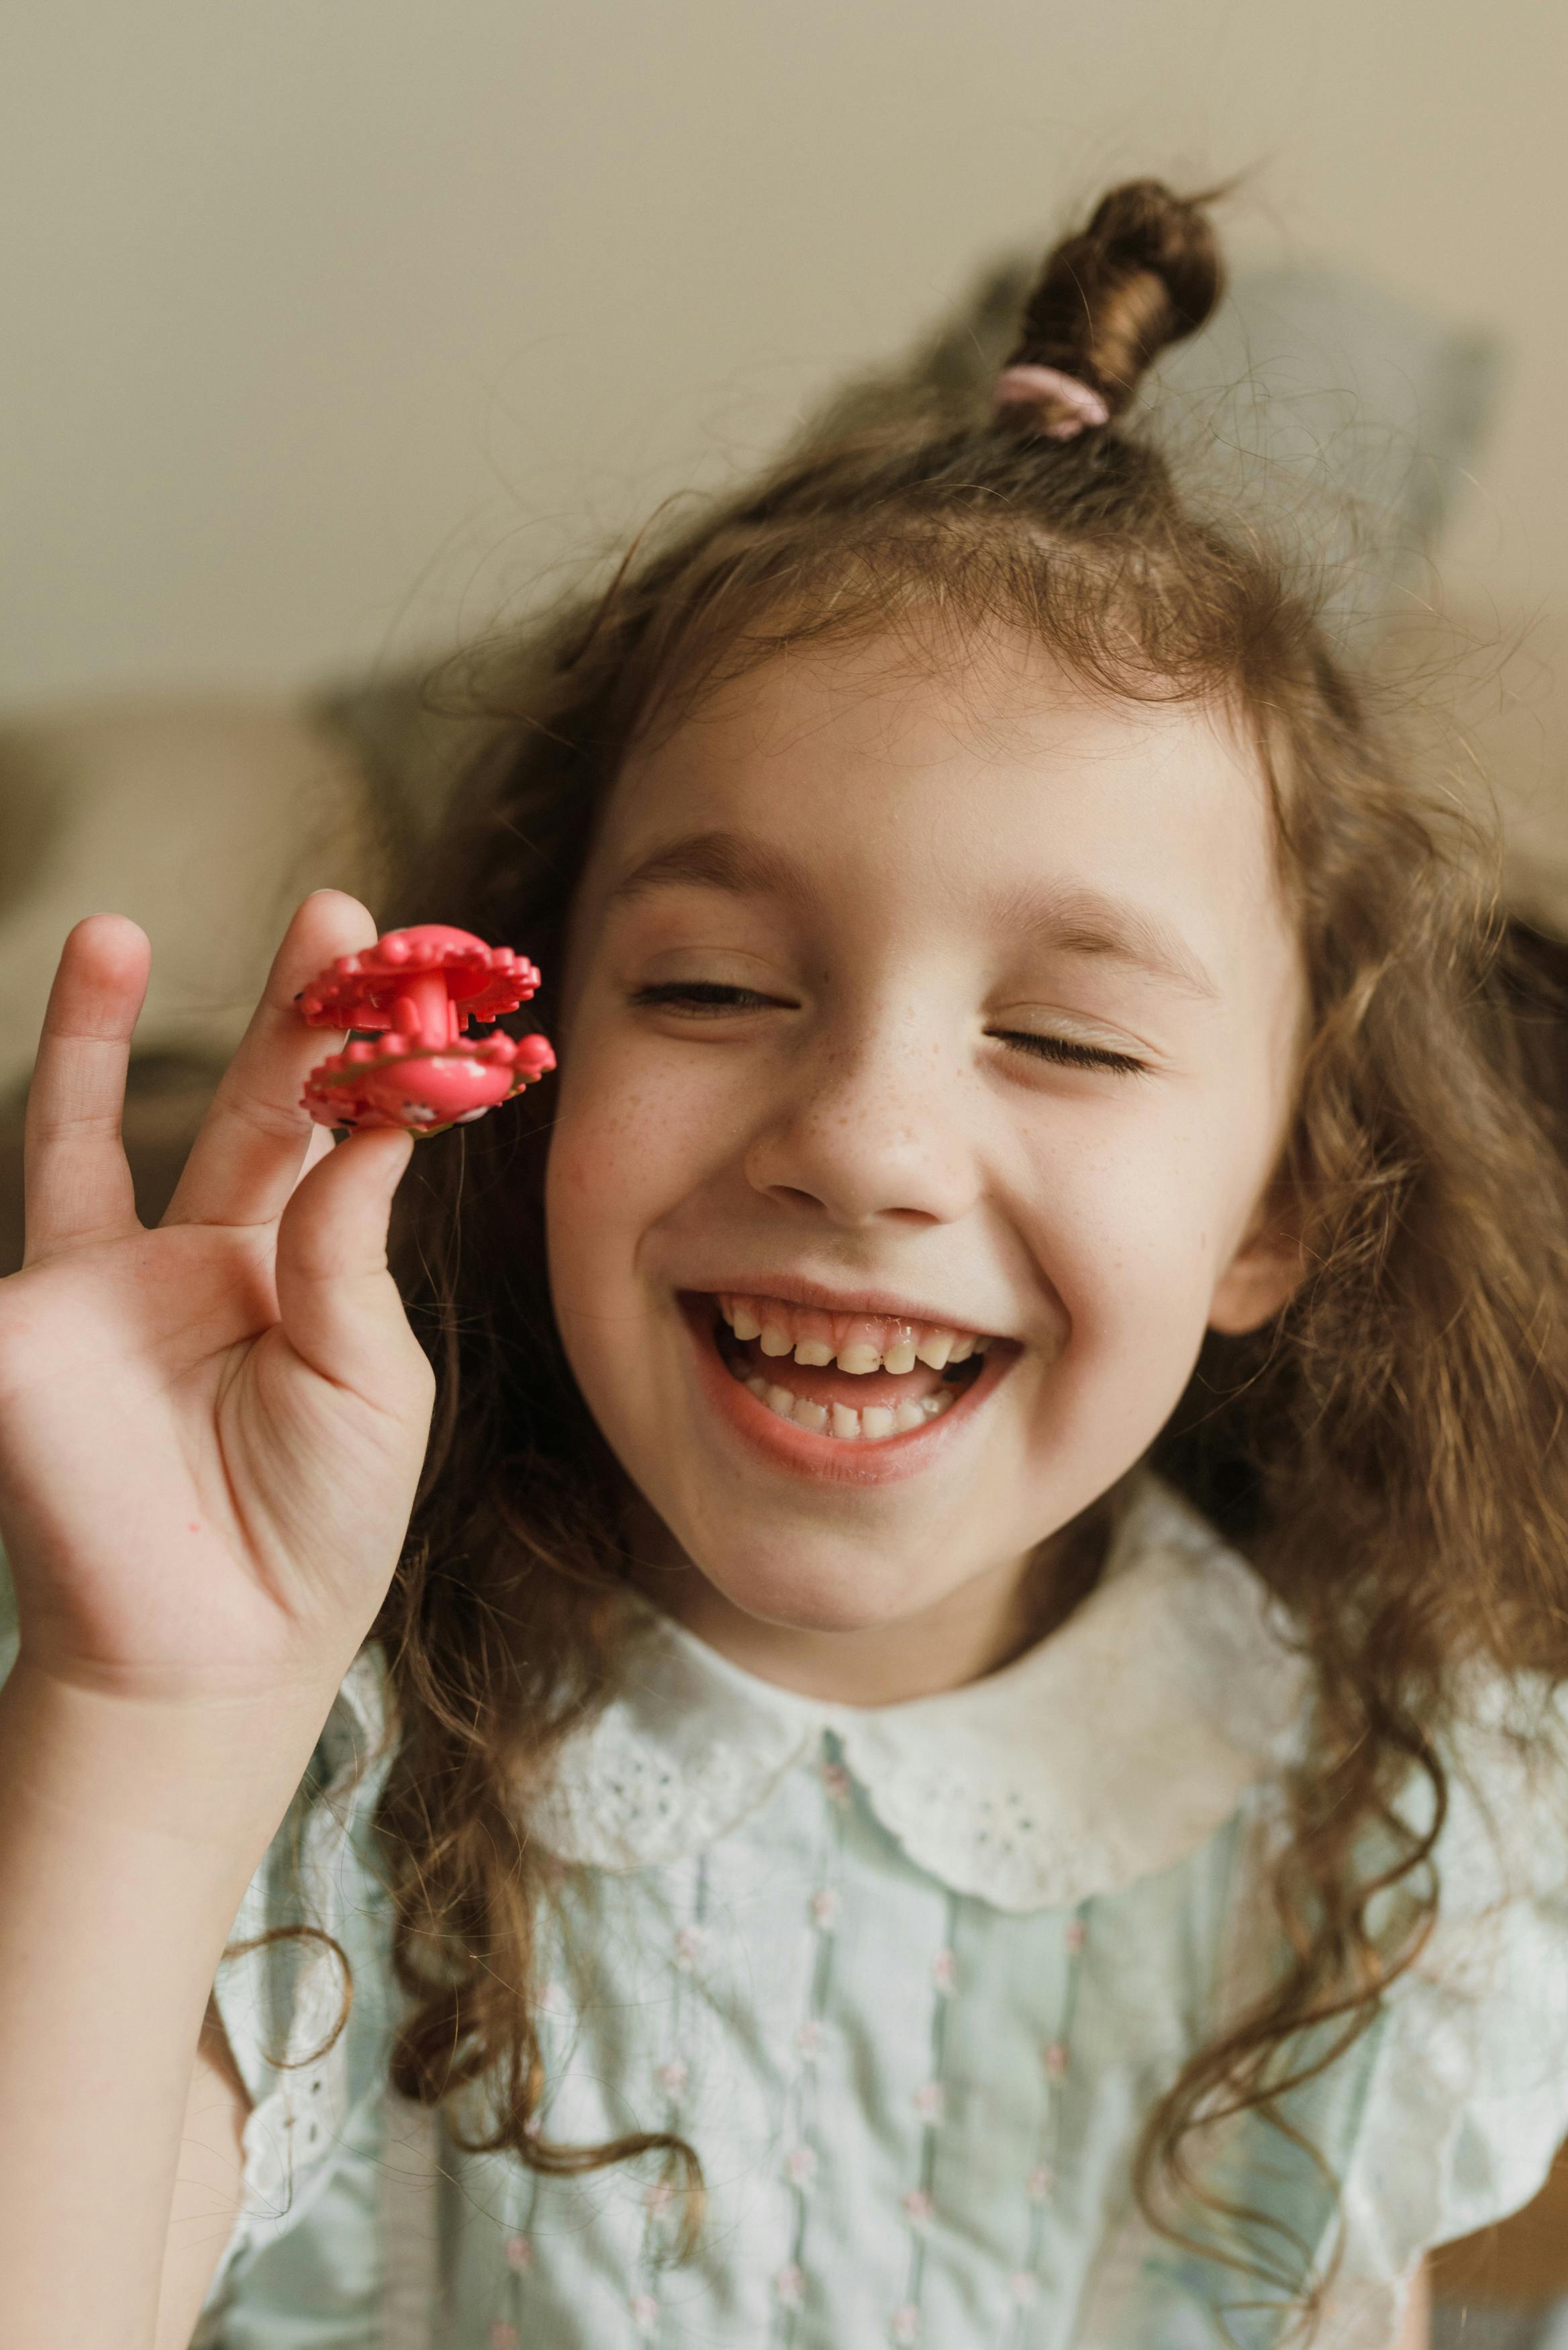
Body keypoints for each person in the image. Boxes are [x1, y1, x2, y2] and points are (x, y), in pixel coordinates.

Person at [3, 179, 1567, 2350]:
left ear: (1279, 1205)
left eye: (1067, 1033)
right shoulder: (322, 1755)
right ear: (536, 1072)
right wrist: (151, 1701)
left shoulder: (1382, 1838)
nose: (863, 1138)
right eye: (720, 990)